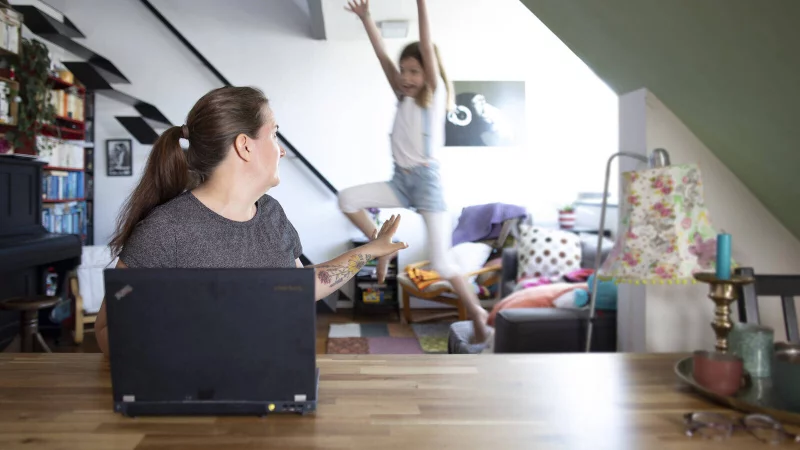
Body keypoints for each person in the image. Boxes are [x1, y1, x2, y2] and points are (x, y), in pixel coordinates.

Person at [93, 86, 408, 357]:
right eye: (273, 134)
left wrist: (370, 250)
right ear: (244, 146)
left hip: (273, 384)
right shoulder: (166, 229)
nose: (281, 150)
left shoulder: (270, 213)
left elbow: (301, 286)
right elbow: (108, 332)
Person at [338, 0, 491, 343]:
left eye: (414, 72)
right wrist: (366, 19)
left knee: (442, 263)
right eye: (404, 71)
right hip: (399, 182)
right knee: (347, 199)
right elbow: (382, 58)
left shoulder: (433, 98)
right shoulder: (402, 95)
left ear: (428, 75)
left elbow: (425, 45)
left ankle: (478, 312)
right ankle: (384, 245)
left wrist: (421, 4)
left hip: (427, 185)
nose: (406, 78)